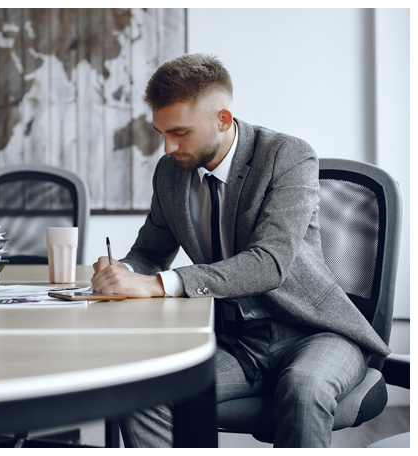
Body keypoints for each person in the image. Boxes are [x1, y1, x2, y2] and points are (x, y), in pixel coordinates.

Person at [91, 53, 389, 448]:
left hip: (316, 331)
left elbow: (270, 263)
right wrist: (122, 270)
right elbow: (150, 252)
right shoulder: (171, 174)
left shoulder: (288, 156)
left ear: (223, 120)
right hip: (241, 343)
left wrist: (159, 284)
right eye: (161, 132)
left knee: (304, 388)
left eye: (179, 132)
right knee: (145, 390)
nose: (167, 147)